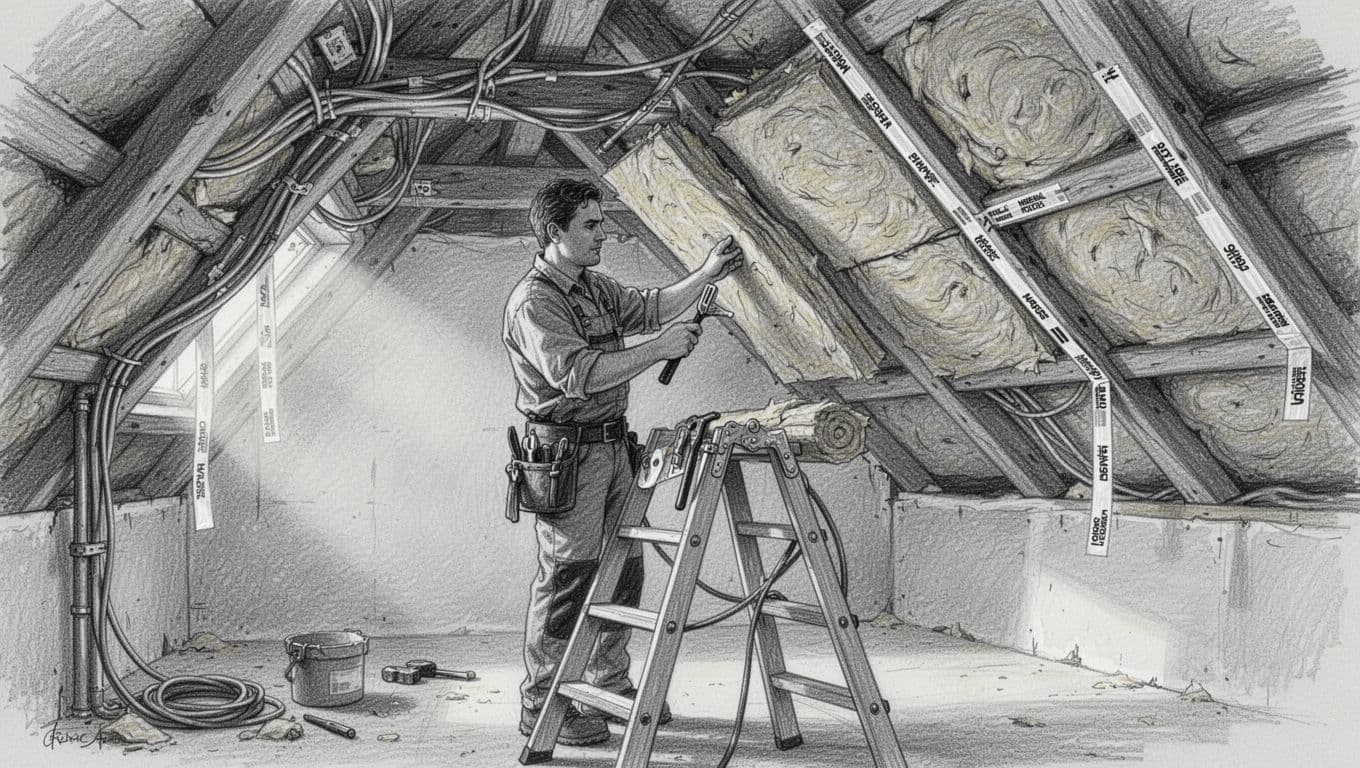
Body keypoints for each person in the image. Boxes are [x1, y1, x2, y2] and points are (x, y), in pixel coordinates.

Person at [503, 177, 743, 746]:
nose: (602, 233)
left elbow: (651, 306)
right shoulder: (535, 301)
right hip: (567, 454)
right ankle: (543, 704)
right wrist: (659, 347)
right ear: (553, 231)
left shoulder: (592, 287)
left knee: (623, 569)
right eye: (590, 224)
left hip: (613, 449)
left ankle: (608, 683)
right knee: (569, 578)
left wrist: (707, 274)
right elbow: (580, 375)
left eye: (601, 222)